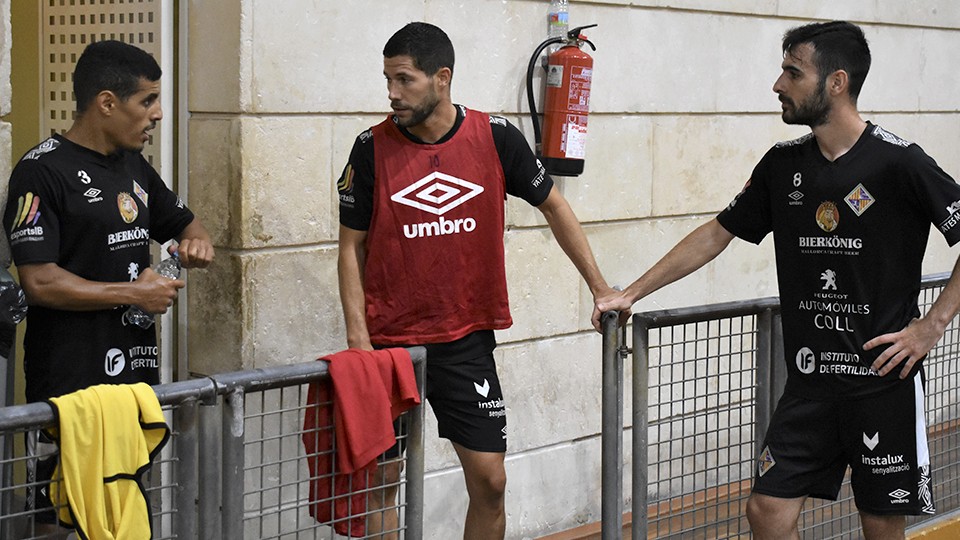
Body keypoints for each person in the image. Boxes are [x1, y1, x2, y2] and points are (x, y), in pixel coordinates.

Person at [594, 20, 960, 539]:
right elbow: (716, 234)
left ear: (835, 83)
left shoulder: (898, 162)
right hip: (809, 386)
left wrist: (932, 325)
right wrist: (629, 293)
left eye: (792, 72)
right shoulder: (782, 165)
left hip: (881, 385)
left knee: (880, 525)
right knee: (767, 511)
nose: (777, 84)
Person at [337, 22, 613, 540]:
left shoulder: (495, 136)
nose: (392, 94)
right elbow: (350, 248)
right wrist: (359, 345)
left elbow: (555, 205)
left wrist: (600, 287)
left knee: (490, 481)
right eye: (387, 80)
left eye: (404, 80)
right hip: (389, 345)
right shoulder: (370, 149)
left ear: (442, 78)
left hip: (465, 344)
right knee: (380, 482)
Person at [4, 39, 214, 531]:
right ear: (106, 102)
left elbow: (189, 227)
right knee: (59, 518)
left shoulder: (134, 166)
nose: (158, 114)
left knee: (122, 509)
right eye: (147, 101)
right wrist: (133, 294)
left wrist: (195, 246)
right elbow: (38, 281)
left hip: (133, 387)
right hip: (67, 388)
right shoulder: (40, 172)